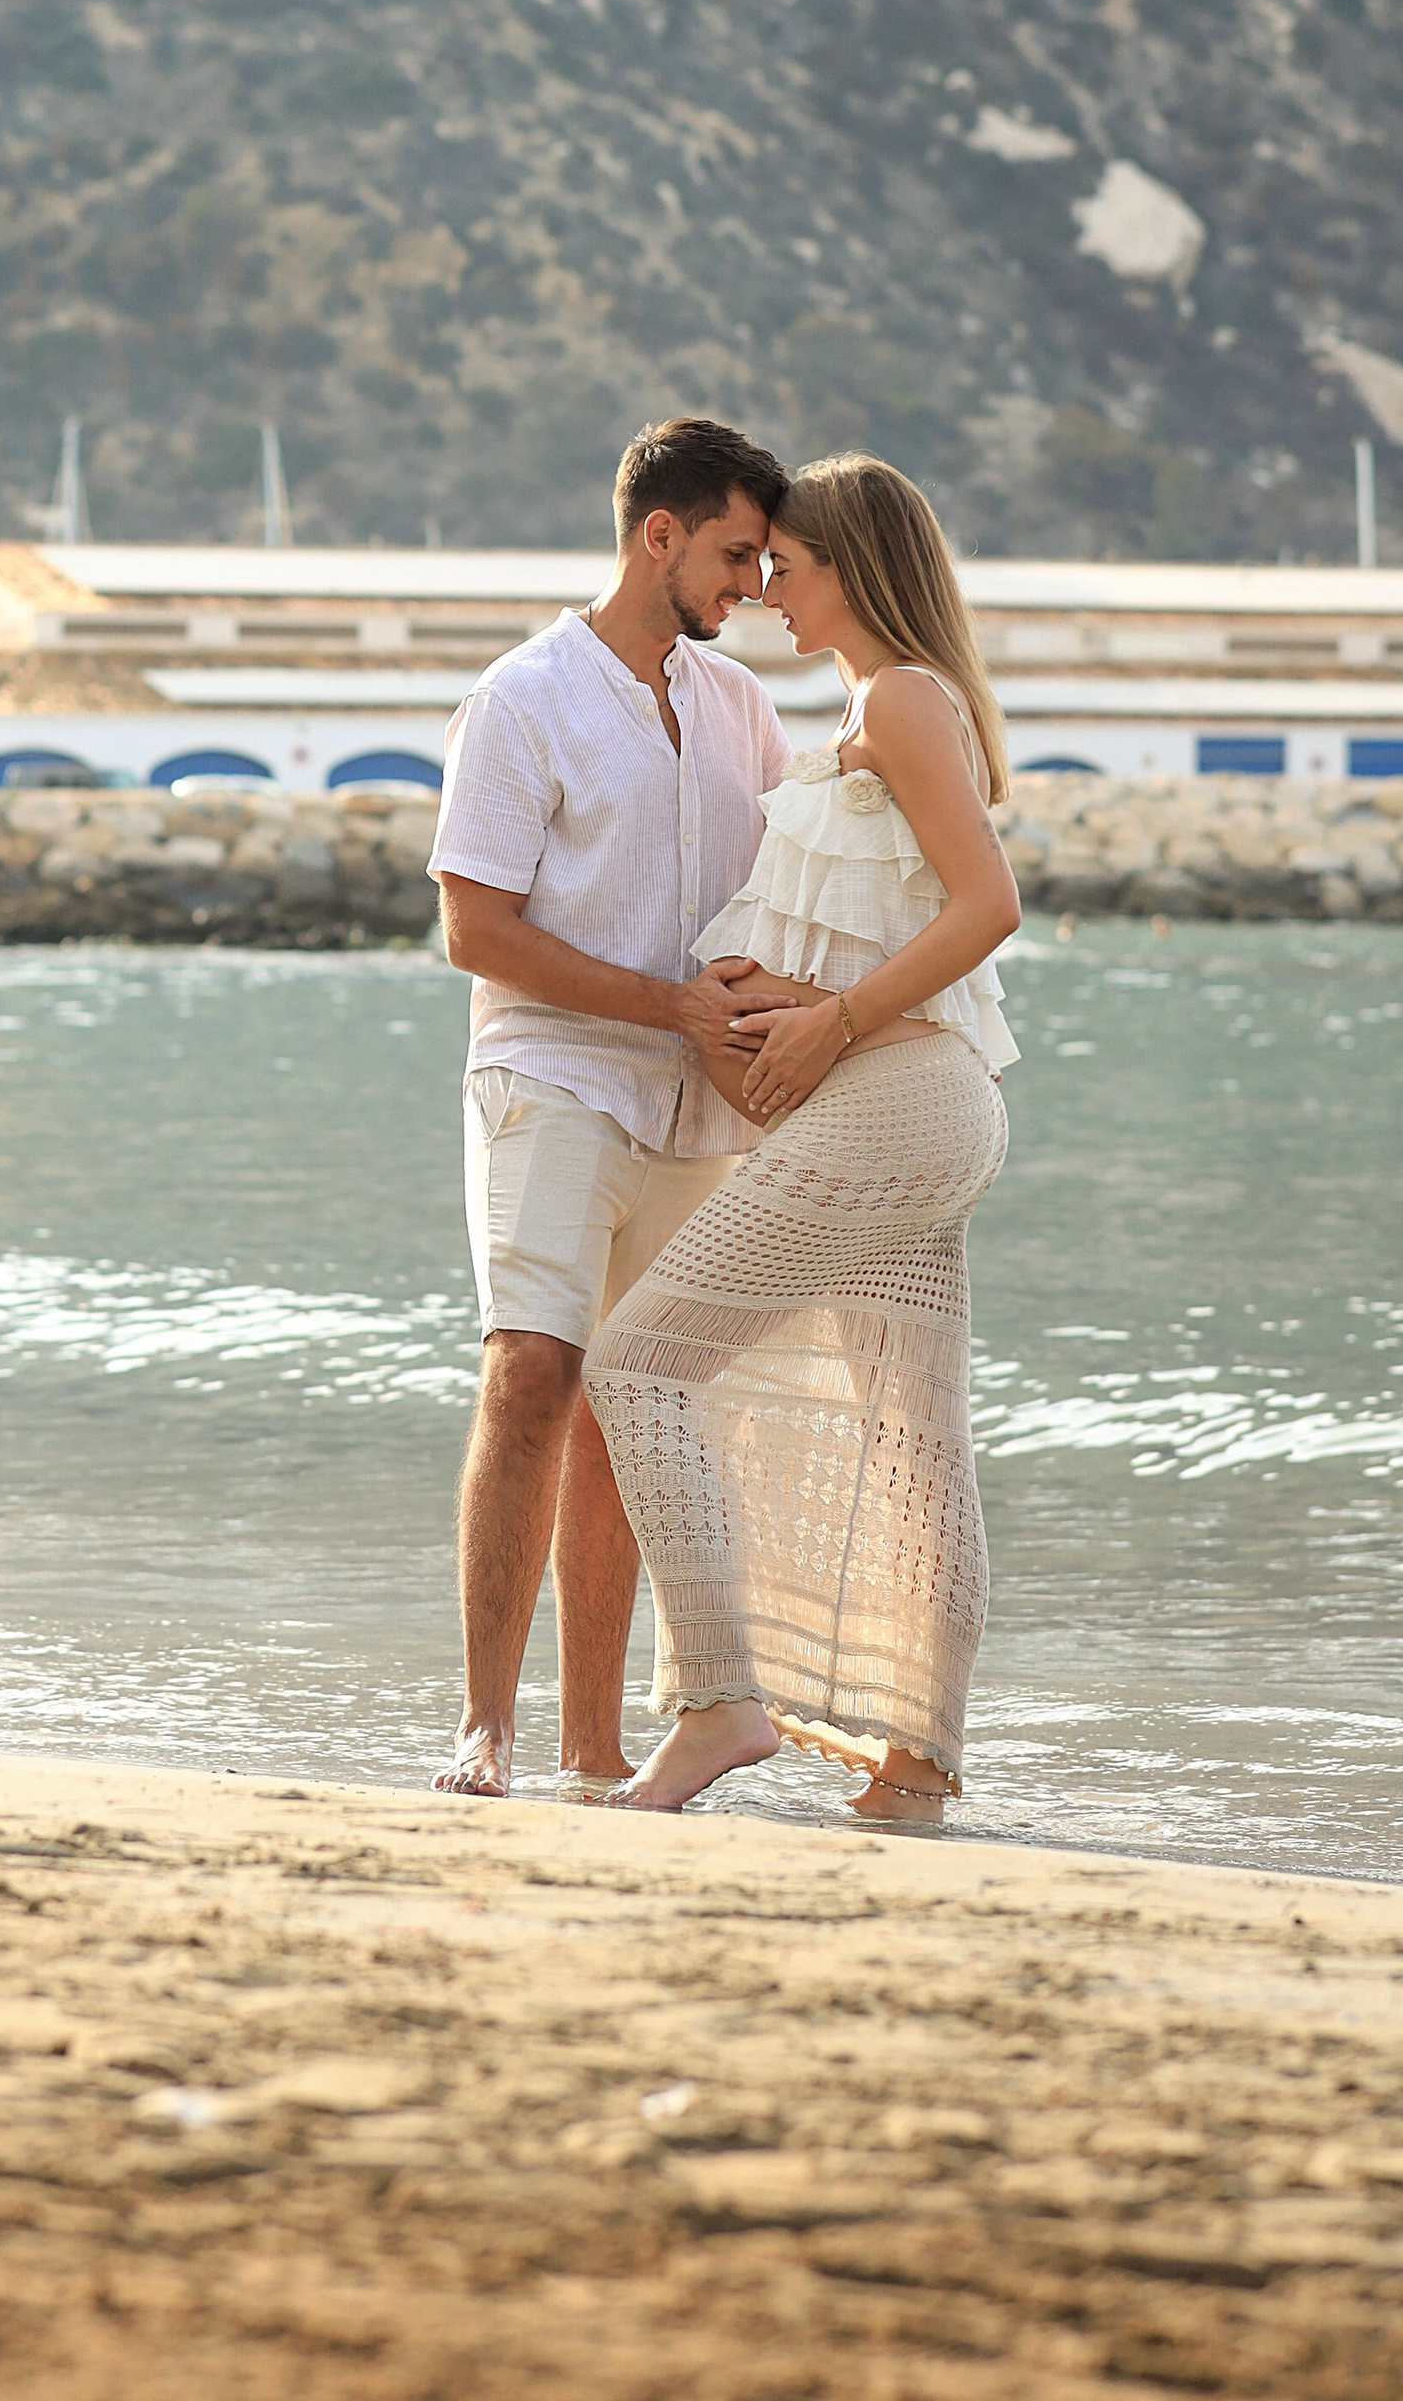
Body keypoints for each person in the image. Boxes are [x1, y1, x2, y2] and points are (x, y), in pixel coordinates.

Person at [583, 452, 1020, 1828]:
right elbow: (890, 920)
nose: (767, 590)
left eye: (792, 566)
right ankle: (916, 1772)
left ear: (859, 570)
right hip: (916, 1106)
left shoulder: (897, 696)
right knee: (914, 1442)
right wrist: (796, 999)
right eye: (759, 564)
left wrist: (830, 1023)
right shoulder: (885, 705)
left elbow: (986, 906)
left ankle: (720, 1701)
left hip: (900, 1098)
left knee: (636, 1363)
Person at [428, 415, 794, 1799]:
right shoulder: (523, 698)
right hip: (551, 1074)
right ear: (660, 535)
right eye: (735, 556)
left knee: (626, 1408)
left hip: (698, 1107)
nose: (751, 586)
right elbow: (477, 931)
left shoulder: (740, 709)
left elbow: (776, 897)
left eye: (762, 563)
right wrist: (669, 1007)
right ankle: (485, 1727)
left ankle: (592, 1744)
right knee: (532, 1371)